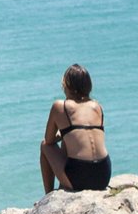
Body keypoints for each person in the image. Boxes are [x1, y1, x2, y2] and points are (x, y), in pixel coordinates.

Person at [42, 64, 112, 193]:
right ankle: (63, 186)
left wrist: (63, 133)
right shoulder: (97, 106)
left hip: (80, 178)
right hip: (103, 175)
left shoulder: (60, 106)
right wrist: (67, 133)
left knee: (44, 145)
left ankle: (48, 195)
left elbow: (49, 140)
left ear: (67, 85)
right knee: (68, 139)